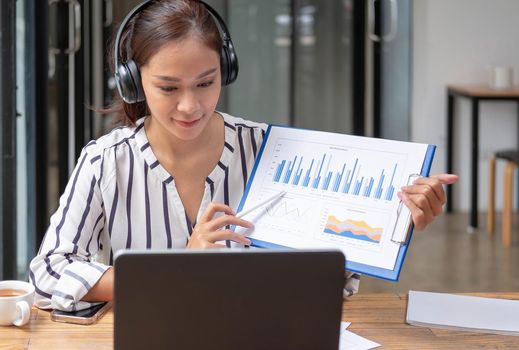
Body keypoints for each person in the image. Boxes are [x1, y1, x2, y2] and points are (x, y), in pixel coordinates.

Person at [29, 0, 458, 311]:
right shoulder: (107, 161)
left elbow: (330, 278)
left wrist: (392, 224)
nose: (190, 106)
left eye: (205, 82)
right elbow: (48, 271)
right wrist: (175, 273)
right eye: (168, 87)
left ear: (225, 71)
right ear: (133, 82)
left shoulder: (268, 150)